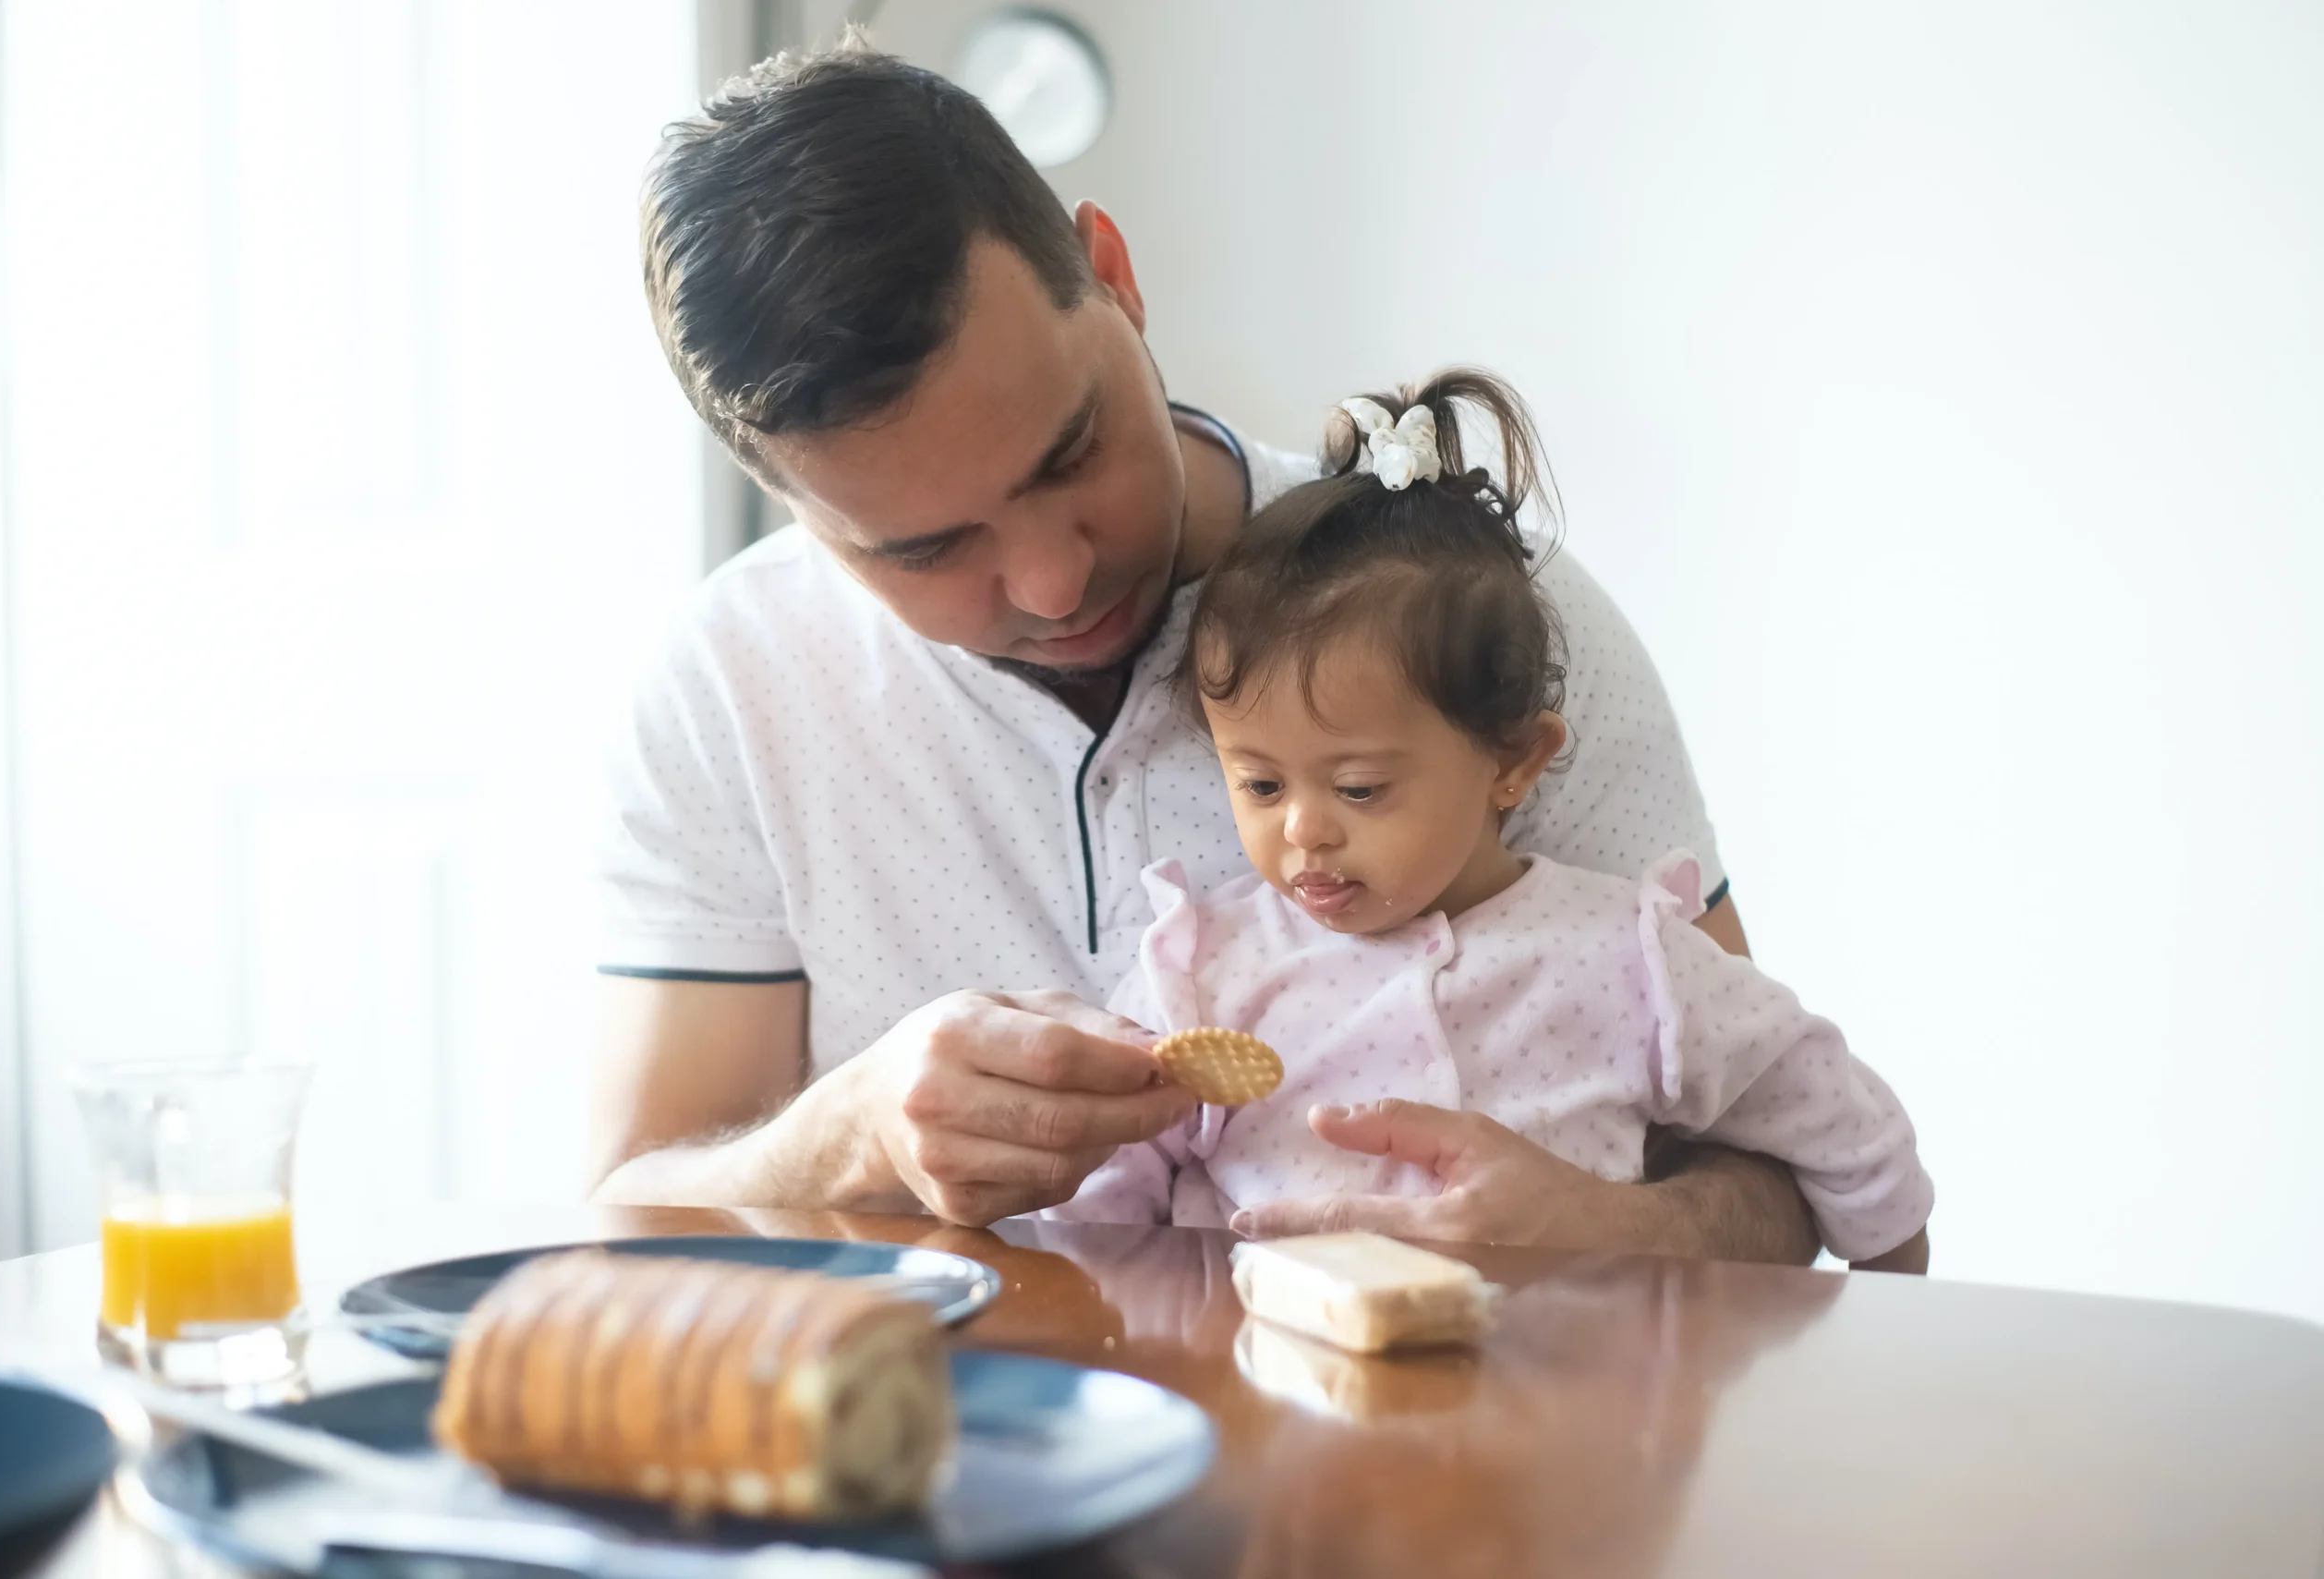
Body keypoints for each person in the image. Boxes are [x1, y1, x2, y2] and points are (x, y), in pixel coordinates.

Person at [589, 38, 1820, 1263]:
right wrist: (852, 1134)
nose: (1053, 579)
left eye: (1070, 450)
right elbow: (634, 1219)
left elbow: (1788, 1183)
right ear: (801, 513)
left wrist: (1611, 1227)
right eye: (928, 549)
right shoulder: (729, 688)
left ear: (1114, 275)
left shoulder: (1483, 617)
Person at [1042, 371, 1932, 1272]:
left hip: (1572, 1399)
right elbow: (1093, 1217)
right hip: (1275, 1392)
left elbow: (1828, 1106)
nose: (1303, 831)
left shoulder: (1630, 958)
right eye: (1261, 786)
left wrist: (1892, 1273)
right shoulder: (1198, 978)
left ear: (1511, 761)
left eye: (1357, 789)